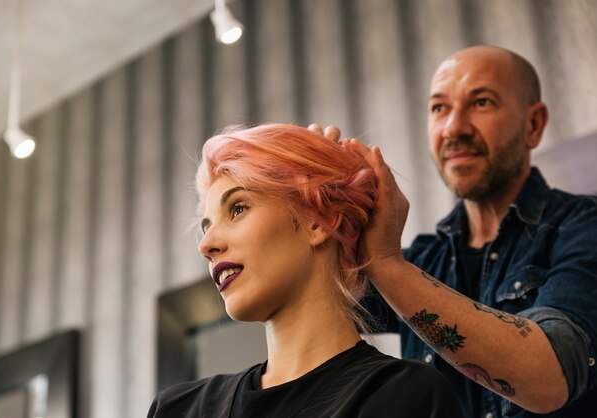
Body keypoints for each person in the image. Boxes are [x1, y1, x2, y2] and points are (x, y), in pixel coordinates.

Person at [323, 45, 597, 417]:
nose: (454, 128)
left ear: (533, 124)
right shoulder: (423, 259)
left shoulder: (583, 227)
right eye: (439, 108)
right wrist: (320, 203)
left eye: (481, 102)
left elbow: (549, 379)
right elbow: (320, 296)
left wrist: (387, 264)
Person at [147, 124, 465, 417]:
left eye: (238, 208)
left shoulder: (403, 396)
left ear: (319, 222)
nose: (207, 245)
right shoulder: (178, 409)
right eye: (206, 226)